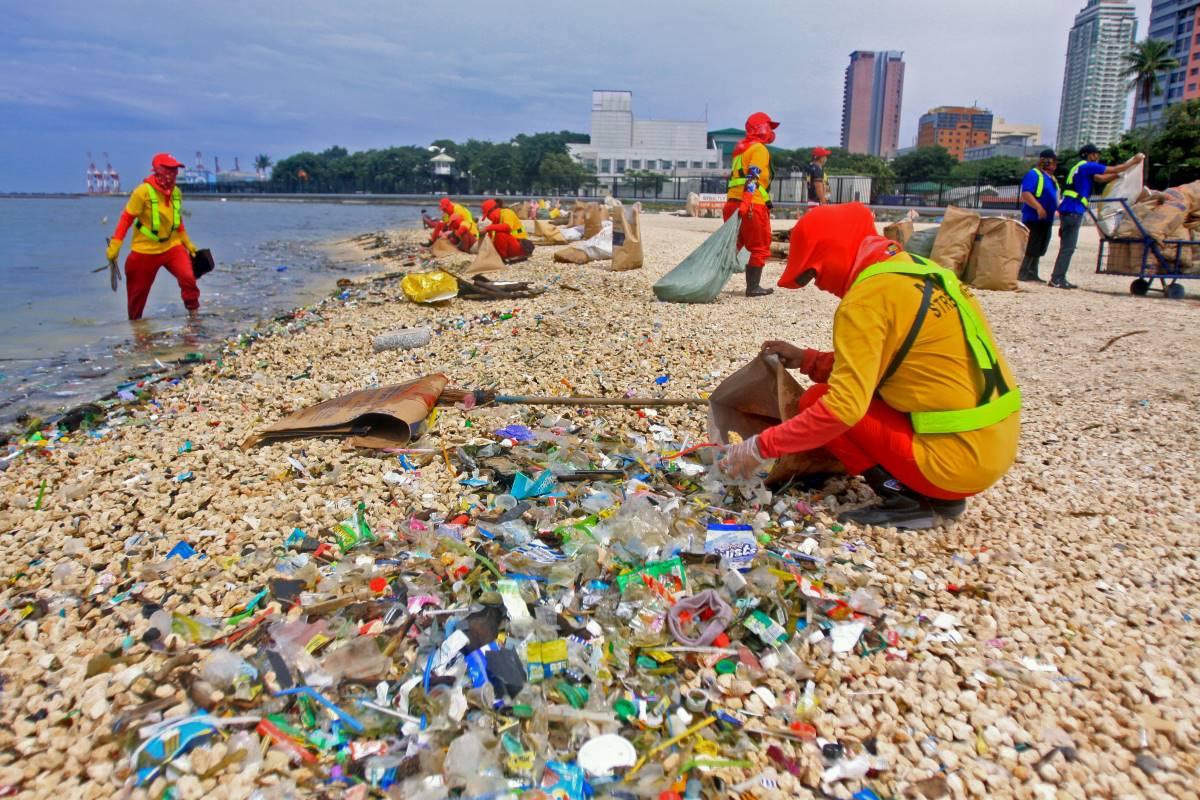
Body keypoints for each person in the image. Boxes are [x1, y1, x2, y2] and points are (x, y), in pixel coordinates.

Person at [718, 203, 1021, 530]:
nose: (818, 285)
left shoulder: (865, 300)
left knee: (818, 401)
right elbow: (886, 363)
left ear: (835, 252)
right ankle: (939, 495)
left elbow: (842, 409)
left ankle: (906, 498)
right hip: (992, 446)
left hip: (954, 465)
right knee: (846, 397)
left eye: (815, 272)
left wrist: (759, 447)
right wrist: (808, 360)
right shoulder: (922, 272)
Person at [105, 153, 200, 321]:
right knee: (137, 296)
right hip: (145, 250)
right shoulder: (142, 192)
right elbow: (126, 218)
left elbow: (177, 221)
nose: (172, 174)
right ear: (158, 170)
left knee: (188, 277)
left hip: (171, 246)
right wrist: (116, 244)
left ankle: (194, 315)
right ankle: (136, 329)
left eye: (175, 170)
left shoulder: (176, 193)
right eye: (169, 169)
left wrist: (188, 243)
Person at [1049, 145, 1143, 289]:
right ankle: (1057, 278)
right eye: (1094, 154)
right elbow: (1114, 169)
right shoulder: (1088, 166)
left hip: (1068, 210)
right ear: (1088, 155)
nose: (1097, 157)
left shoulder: (1079, 167)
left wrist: (1118, 176)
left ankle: (1057, 277)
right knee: (1068, 247)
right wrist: (1133, 162)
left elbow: (1099, 178)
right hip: (1074, 210)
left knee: (1066, 246)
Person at [725, 111, 780, 297]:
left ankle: (711, 276)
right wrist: (746, 202)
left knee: (734, 244)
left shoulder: (740, 149)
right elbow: (752, 177)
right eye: (769, 127)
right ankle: (753, 287)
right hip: (751, 205)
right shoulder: (759, 149)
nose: (772, 132)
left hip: (731, 203)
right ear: (760, 128)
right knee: (760, 246)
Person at [1017, 149, 1059, 283]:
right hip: (1034, 217)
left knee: (1041, 245)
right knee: (1032, 244)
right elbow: (1026, 193)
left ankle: (1033, 272)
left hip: (1047, 218)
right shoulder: (1034, 174)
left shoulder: (1050, 178)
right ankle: (1023, 271)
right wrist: (1038, 207)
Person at [480, 198, 534, 263]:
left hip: (521, 246)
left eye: (488, 215)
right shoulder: (495, 223)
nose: (489, 218)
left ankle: (502, 259)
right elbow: (490, 240)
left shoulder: (507, 213)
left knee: (501, 234)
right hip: (511, 248)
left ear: (494, 210)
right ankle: (501, 257)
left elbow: (507, 227)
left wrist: (488, 228)